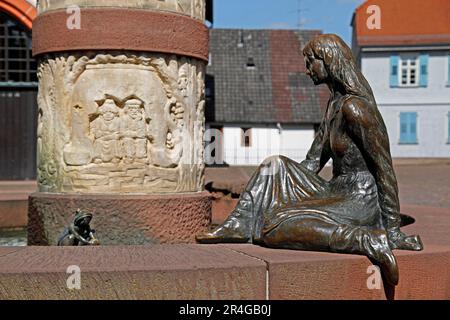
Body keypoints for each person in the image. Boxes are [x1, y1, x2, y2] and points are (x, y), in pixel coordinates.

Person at [196, 34, 423, 286]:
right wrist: (284, 190)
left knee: (274, 228)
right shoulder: (334, 106)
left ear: (328, 61)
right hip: (335, 190)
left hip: (360, 198)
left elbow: (384, 170)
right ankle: (238, 225)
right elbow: (312, 163)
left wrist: (393, 228)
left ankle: (368, 239)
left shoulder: (356, 109)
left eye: (310, 62)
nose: (307, 70)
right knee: (276, 165)